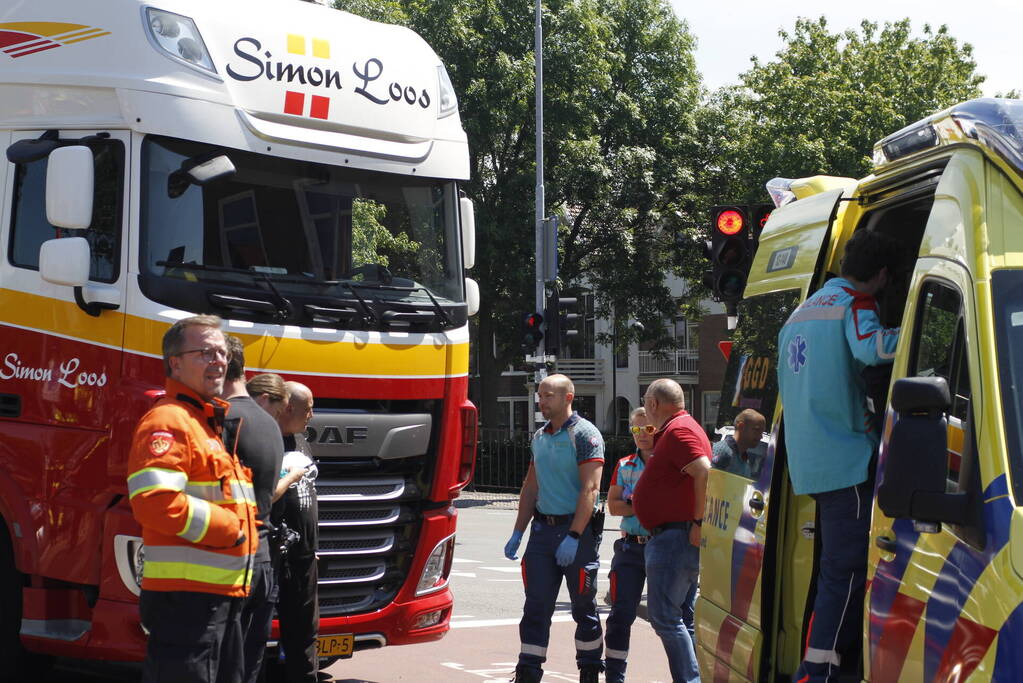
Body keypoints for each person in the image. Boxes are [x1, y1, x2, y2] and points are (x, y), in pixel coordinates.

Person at [777, 229, 901, 683]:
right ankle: (820, 668)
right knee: (845, 571)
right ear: (883, 275)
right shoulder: (855, 304)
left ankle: (820, 660)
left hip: (810, 461)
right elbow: (873, 347)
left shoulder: (801, 311)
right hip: (847, 458)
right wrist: (920, 333)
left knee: (832, 566)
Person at [126, 315, 258, 683]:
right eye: (205, 352)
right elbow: (154, 501)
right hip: (187, 603)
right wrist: (231, 528)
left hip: (217, 597)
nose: (218, 360)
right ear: (175, 363)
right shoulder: (169, 420)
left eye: (221, 352)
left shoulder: (204, 421)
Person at [503, 374, 604, 683]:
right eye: (540, 395)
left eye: (548, 396)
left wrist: (574, 536)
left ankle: (589, 669)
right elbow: (530, 487)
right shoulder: (540, 437)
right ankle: (528, 672)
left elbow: (591, 490)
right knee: (535, 606)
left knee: (583, 607)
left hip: (577, 533)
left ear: (568, 398)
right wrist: (518, 531)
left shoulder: (586, 435)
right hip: (542, 533)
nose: (541, 400)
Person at [632, 378, 710, 683]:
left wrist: (699, 522)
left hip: (675, 537)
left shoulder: (678, 431)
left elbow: (703, 470)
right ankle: (692, 677)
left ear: (652, 404)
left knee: (665, 617)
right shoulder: (681, 428)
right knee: (681, 617)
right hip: (676, 535)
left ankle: (690, 680)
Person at [220, 341, 289, 683]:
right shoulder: (269, 424)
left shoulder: (226, 418)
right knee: (247, 666)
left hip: (231, 562)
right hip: (261, 560)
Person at [270, 381, 319, 683]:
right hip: (274, 553)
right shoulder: (266, 441)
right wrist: (292, 477)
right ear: (288, 408)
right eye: (308, 409)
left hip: (305, 554)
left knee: (305, 632)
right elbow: (262, 495)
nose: (312, 416)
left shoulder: (302, 441)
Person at [603, 407, 655, 683]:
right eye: (636, 430)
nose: (642, 435)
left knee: (676, 618)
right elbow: (613, 506)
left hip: (661, 546)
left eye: (647, 429)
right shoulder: (624, 465)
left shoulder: (668, 464)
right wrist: (640, 504)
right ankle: (614, 675)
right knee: (620, 615)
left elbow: (667, 506)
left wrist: (632, 504)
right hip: (630, 548)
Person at [711, 409, 767, 480]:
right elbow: (710, 486)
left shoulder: (745, 459)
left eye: (761, 432)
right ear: (741, 427)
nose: (760, 436)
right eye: (756, 430)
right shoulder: (723, 453)